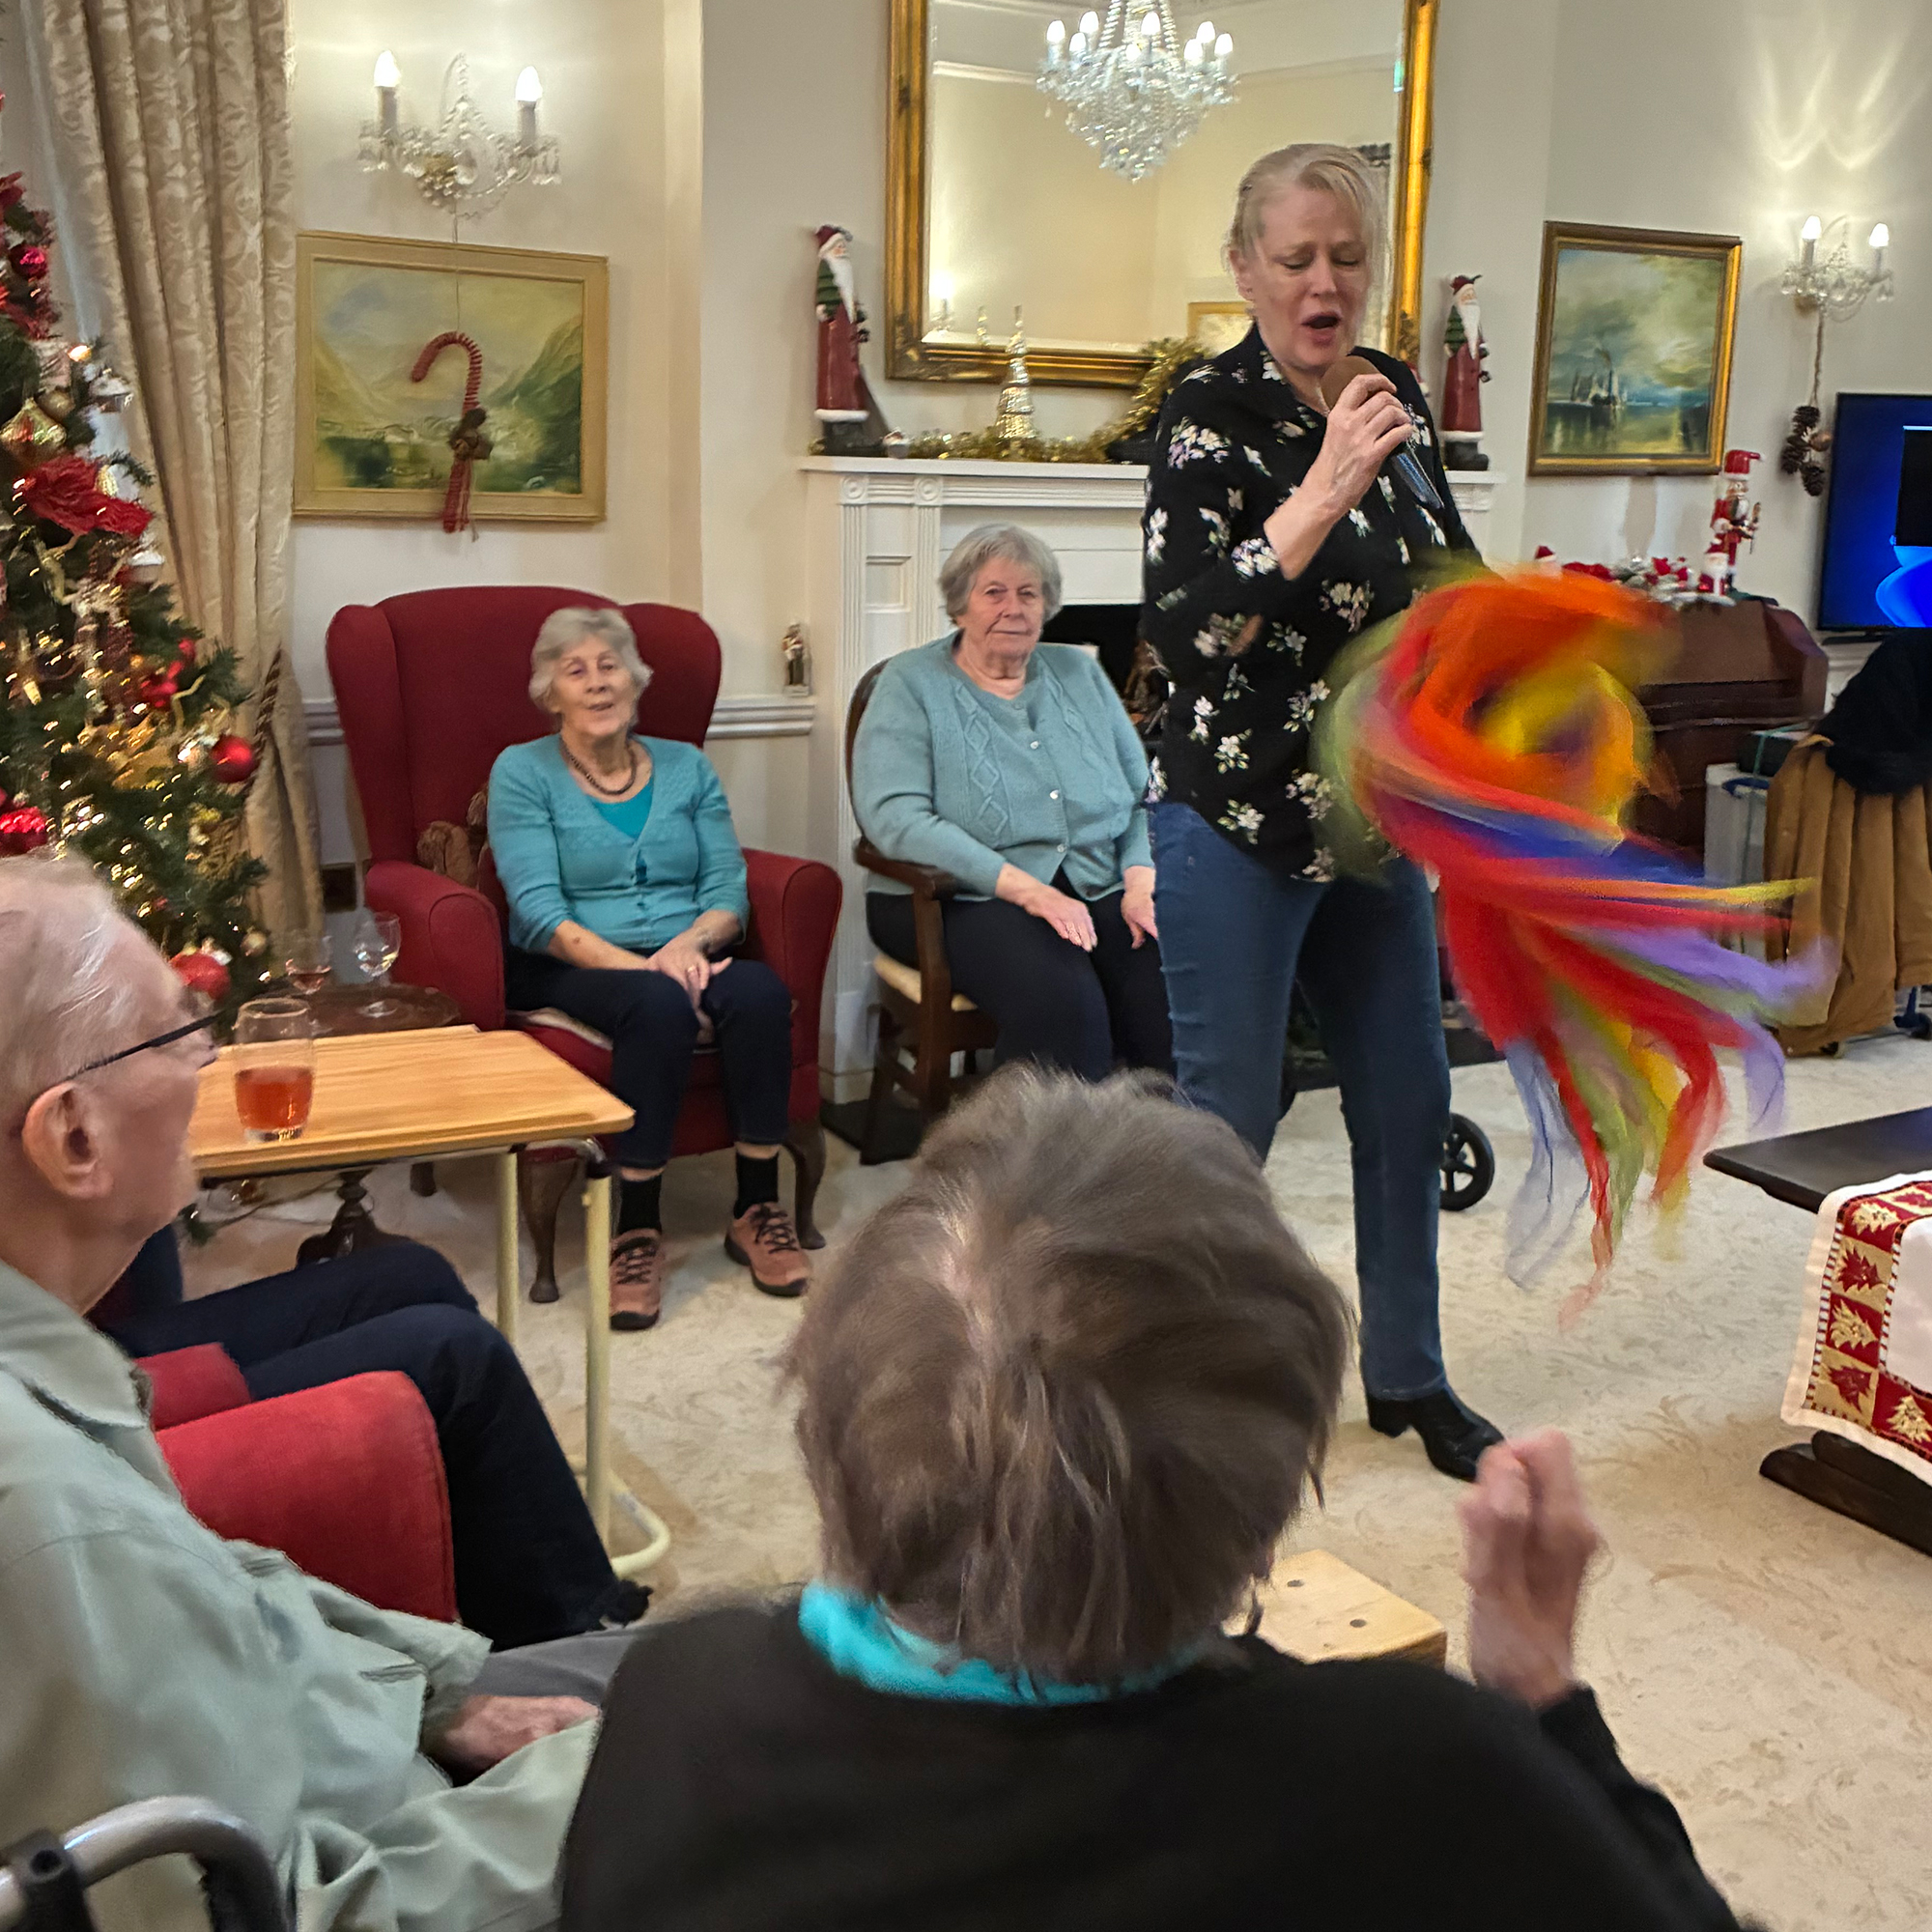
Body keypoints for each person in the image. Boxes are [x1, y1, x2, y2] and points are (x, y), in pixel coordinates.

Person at [562, 1069, 1746, 1932]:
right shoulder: (1417, 1772)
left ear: (825, 1415)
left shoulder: (679, 1700)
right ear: (1274, 1478)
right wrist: (1541, 1697)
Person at [0, 856, 623, 1932]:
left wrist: (439, 1690)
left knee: (738, 1660)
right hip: (420, 1853)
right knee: (794, 1713)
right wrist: (644, 1780)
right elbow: (274, 1911)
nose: (210, 1055)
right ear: (73, 1137)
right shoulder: (55, 1526)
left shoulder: (58, 1395)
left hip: (380, 1730)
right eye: (177, 1029)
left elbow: (222, 1584)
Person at [1139, 142, 1497, 1479]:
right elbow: (1192, 635)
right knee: (1226, 1126)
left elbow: (1438, 568)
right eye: (1296, 258)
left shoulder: (1393, 391)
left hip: (1372, 816)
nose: (1324, 282)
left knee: (1405, 1103)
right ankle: (1194, 1394)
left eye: (1346, 256)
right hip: (1232, 817)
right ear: (1246, 270)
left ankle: (1409, 1373)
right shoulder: (1203, 416)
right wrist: (1325, 485)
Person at [95, 1229, 645, 1650]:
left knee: (415, 1274)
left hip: (81, 1353)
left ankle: (503, 1619)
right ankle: (564, 1654)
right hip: (67, 1413)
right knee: (456, 1359)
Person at [489, 606, 808, 1330]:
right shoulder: (522, 771)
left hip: (684, 950)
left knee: (758, 992)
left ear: (635, 681)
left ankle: (757, 1206)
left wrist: (689, 947)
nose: (598, 685)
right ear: (550, 692)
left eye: (611, 667)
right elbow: (538, 911)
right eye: (577, 671)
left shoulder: (687, 766)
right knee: (655, 1007)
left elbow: (727, 890)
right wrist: (644, 970)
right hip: (572, 961)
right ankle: (636, 1230)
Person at [853, 523, 1173, 1082]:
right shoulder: (910, 682)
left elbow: (1142, 796)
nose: (1014, 607)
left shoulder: (1078, 671)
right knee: (1062, 1002)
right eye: (993, 592)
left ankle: (1171, 1156)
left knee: (1171, 988)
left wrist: (1141, 881)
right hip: (958, 897)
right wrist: (1030, 893)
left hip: (1096, 882)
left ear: (1047, 606)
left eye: (1029, 593)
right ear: (959, 607)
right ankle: (1049, 1164)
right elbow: (895, 818)